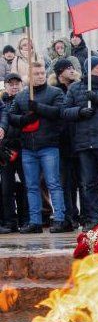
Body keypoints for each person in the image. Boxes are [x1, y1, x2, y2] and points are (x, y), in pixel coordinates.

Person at [1, 63, 71, 233]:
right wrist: (24, 120)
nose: (40, 76)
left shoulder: (55, 92)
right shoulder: (22, 96)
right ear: (29, 77)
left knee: (53, 183)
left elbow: (59, 112)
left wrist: (39, 108)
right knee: (31, 186)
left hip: (48, 146)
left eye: (42, 73)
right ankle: (35, 221)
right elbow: (11, 116)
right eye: (36, 74)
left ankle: (60, 219)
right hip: (27, 148)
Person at [62, 56, 98, 229]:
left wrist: (95, 98)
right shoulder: (74, 89)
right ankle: (94, 218)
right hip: (84, 144)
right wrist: (79, 111)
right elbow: (64, 112)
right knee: (89, 184)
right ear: (89, 70)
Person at [50, 58, 83, 227]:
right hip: (62, 142)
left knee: (81, 180)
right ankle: (69, 215)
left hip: (78, 139)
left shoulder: (79, 86)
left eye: (72, 67)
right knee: (65, 182)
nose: (71, 70)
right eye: (66, 68)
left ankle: (82, 215)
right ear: (59, 72)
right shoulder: (55, 91)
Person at [0, 72, 27, 231]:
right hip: (4, 150)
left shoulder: (26, 101)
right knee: (6, 187)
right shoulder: (2, 103)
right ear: (6, 86)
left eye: (17, 83)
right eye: (11, 84)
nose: (14, 86)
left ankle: (25, 219)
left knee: (25, 186)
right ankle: (10, 221)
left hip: (23, 149)